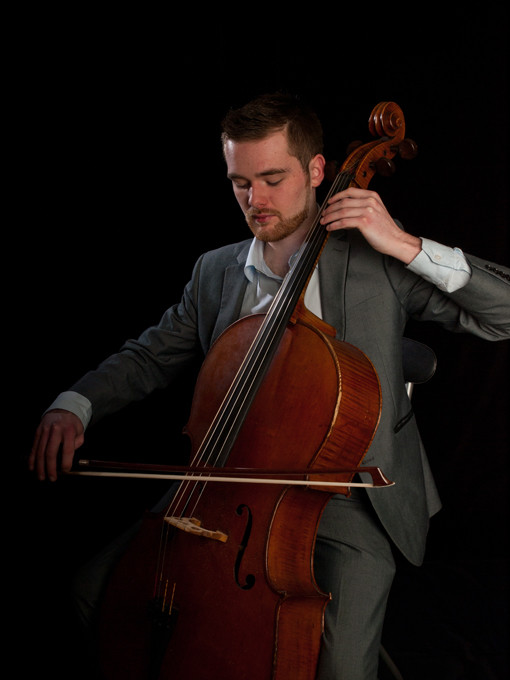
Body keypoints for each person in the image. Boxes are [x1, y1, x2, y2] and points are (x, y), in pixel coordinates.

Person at [29, 92, 510, 680]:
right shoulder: (215, 271)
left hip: (347, 491)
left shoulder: (374, 259)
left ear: (316, 171)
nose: (255, 201)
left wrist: (405, 246)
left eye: (273, 179)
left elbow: (503, 313)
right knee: (94, 594)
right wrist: (73, 406)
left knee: (339, 669)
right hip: (226, 480)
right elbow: (149, 356)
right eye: (240, 183)